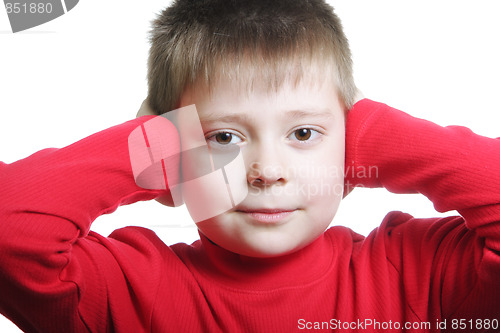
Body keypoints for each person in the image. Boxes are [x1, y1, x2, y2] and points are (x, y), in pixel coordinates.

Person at [1, 0, 499, 332]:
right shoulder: (134, 289)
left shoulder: (414, 274)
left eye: (304, 133)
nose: (267, 171)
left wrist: (370, 133)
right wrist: (155, 149)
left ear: (350, 152)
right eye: (223, 137)